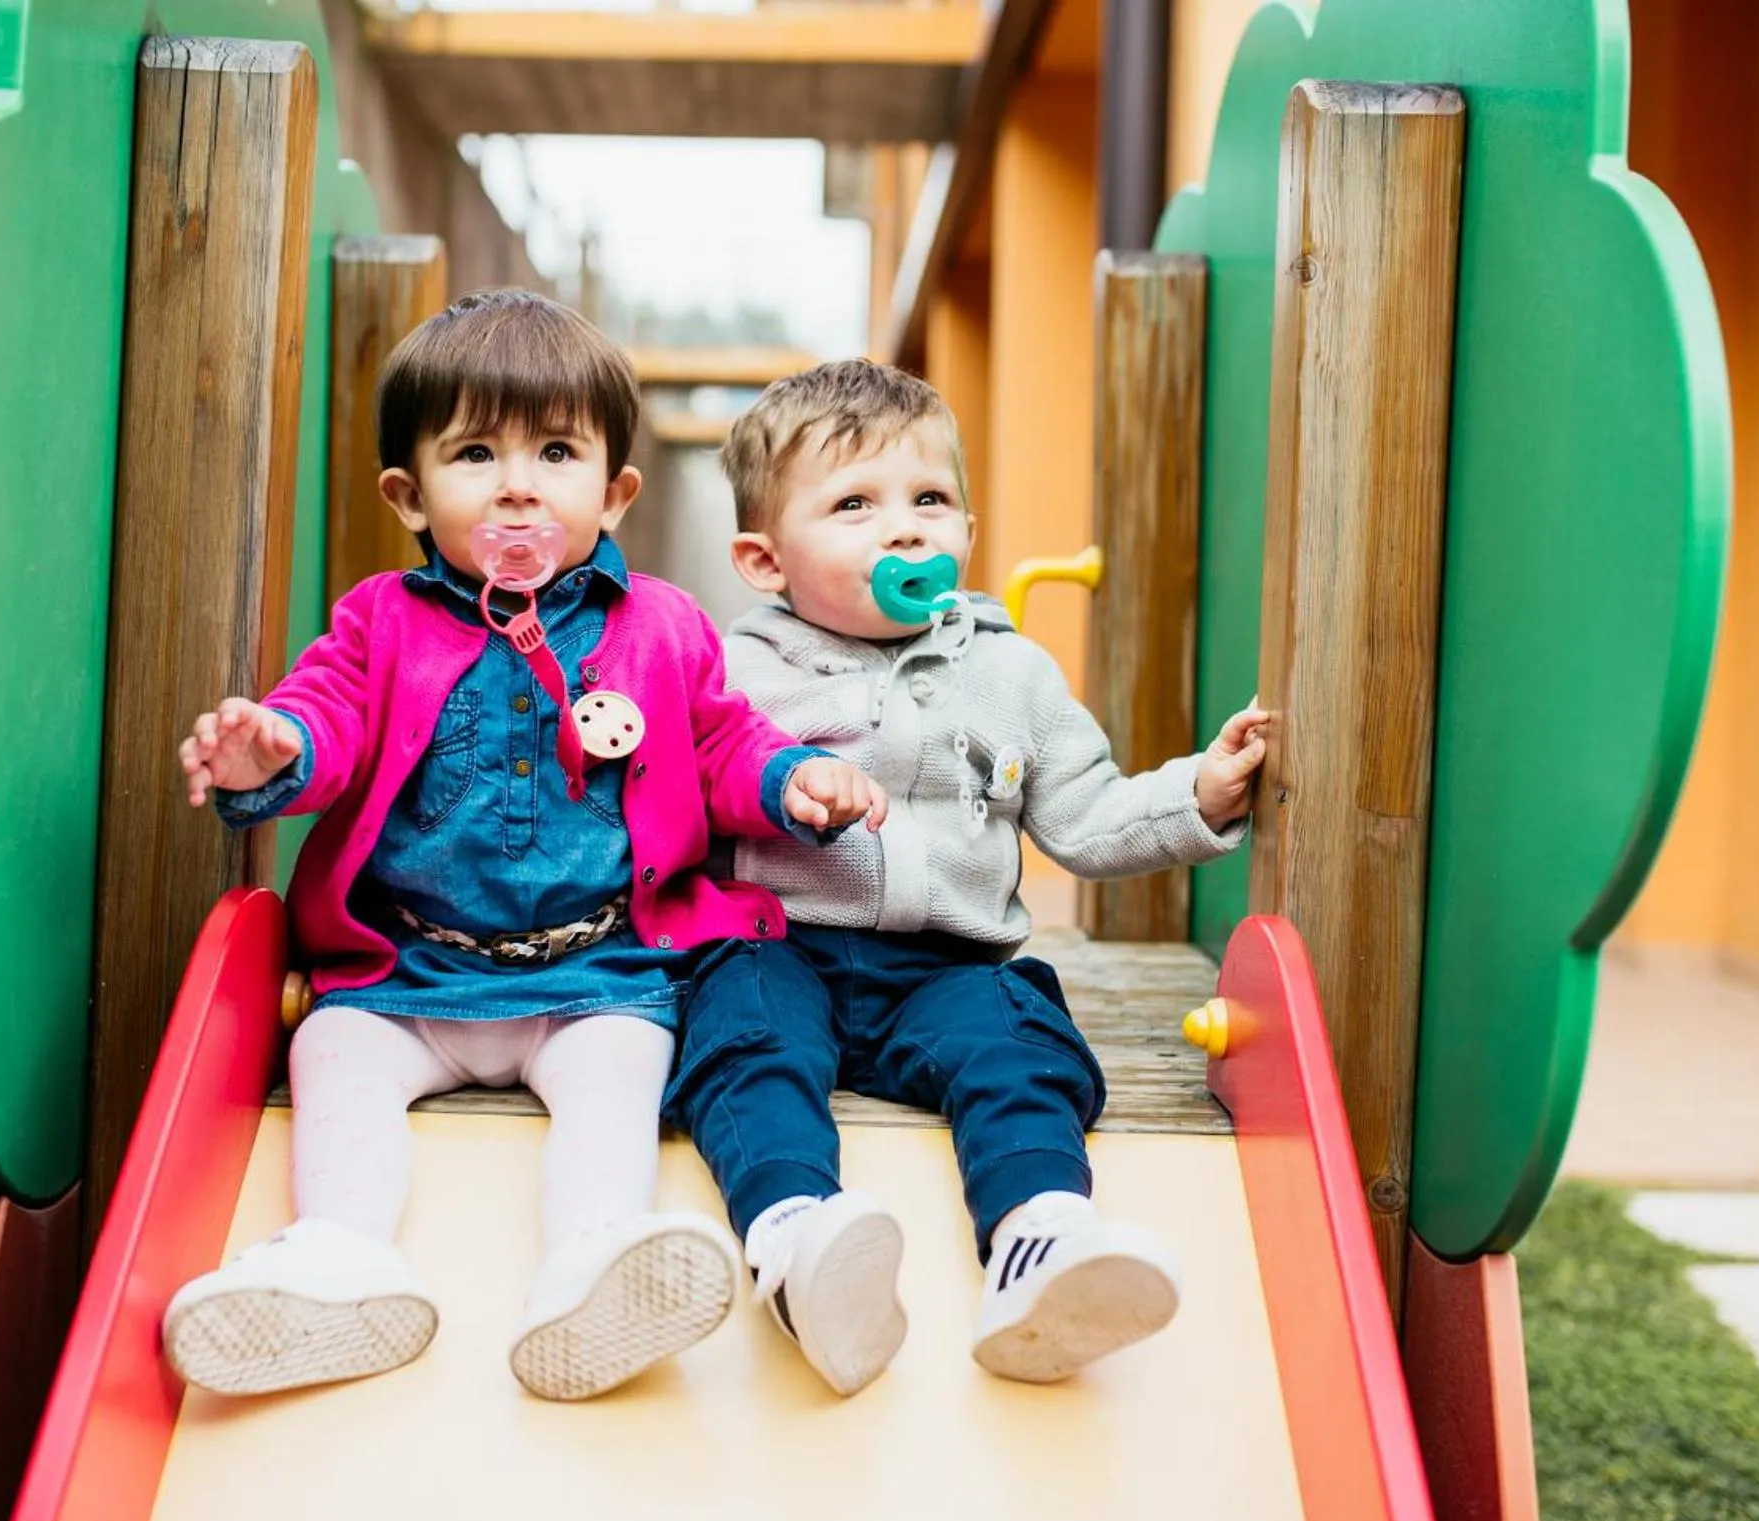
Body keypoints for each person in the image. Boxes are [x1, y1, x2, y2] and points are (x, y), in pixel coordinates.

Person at [164, 294, 886, 1403]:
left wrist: (795, 781)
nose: (517, 483)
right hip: (408, 972)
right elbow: (330, 712)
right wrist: (275, 750)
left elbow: (719, 738)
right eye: (474, 453)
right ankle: (338, 1258)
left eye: (555, 451)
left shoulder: (661, 623)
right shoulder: (379, 620)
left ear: (613, 491)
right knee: (334, 1059)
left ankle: (593, 1262)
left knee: (619, 1079)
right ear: (408, 496)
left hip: (596, 972)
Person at [665, 359, 1267, 1395]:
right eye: (854, 505)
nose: (904, 530)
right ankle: (794, 1241)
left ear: (968, 535)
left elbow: (1084, 814)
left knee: (1021, 1044)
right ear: (764, 561)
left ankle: (1040, 1239)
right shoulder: (733, 674)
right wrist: (771, 791)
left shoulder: (1010, 673)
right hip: (782, 947)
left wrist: (1199, 796)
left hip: (945, 966)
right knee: (741, 1044)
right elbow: (680, 802)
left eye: (929, 500)